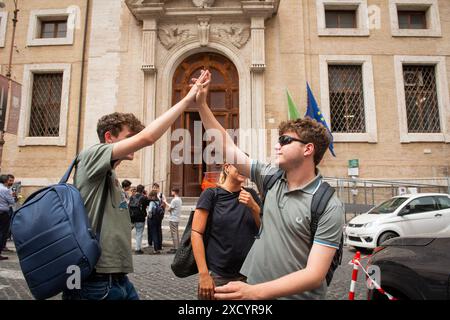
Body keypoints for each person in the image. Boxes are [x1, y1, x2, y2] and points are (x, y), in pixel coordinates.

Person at [61, 69, 210, 300]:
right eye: (129, 136)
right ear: (109, 137)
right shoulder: (91, 155)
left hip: (116, 277)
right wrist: (188, 99)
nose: (134, 143)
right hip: (95, 279)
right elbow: (147, 138)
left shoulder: (109, 175)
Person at [195, 70, 345, 300]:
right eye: (278, 140)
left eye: (285, 141)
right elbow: (228, 147)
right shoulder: (271, 178)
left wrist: (255, 292)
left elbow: (315, 274)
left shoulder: (327, 205)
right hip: (254, 294)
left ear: (308, 149)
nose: (277, 146)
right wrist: (202, 105)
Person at [192, 163, 261, 300]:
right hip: (219, 276)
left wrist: (253, 206)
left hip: (249, 275)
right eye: (240, 166)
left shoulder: (251, 194)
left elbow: (264, 229)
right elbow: (196, 233)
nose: (244, 170)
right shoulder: (211, 194)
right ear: (227, 167)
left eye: (246, 168)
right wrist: (204, 275)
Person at [129, 184, 148, 254]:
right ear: (143, 190)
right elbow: (147, 205)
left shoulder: (132, 197)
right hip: (140, 217)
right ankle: (138, 249)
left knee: (128, 232)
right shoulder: (144, 197)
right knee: (139, 233)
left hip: (132, 217)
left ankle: (127, 247)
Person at [0, 175, 15, 260]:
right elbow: (11, 201)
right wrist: (13, 196)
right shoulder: (5, 190)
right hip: (3, 214)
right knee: (3, 233)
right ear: (5, 181)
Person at [165, 188, 182, 253]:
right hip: (177, 218)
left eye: (172, 191)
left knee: (174, 234)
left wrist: (168, 209)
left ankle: (176, 248)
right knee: (176, 233)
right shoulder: (179, 199)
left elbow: (170, 209)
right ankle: (176, 246)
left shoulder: (174, 200)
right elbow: (172, 206)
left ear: (174, 192)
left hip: (173, 218)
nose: (171, 192)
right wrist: (166, 202)